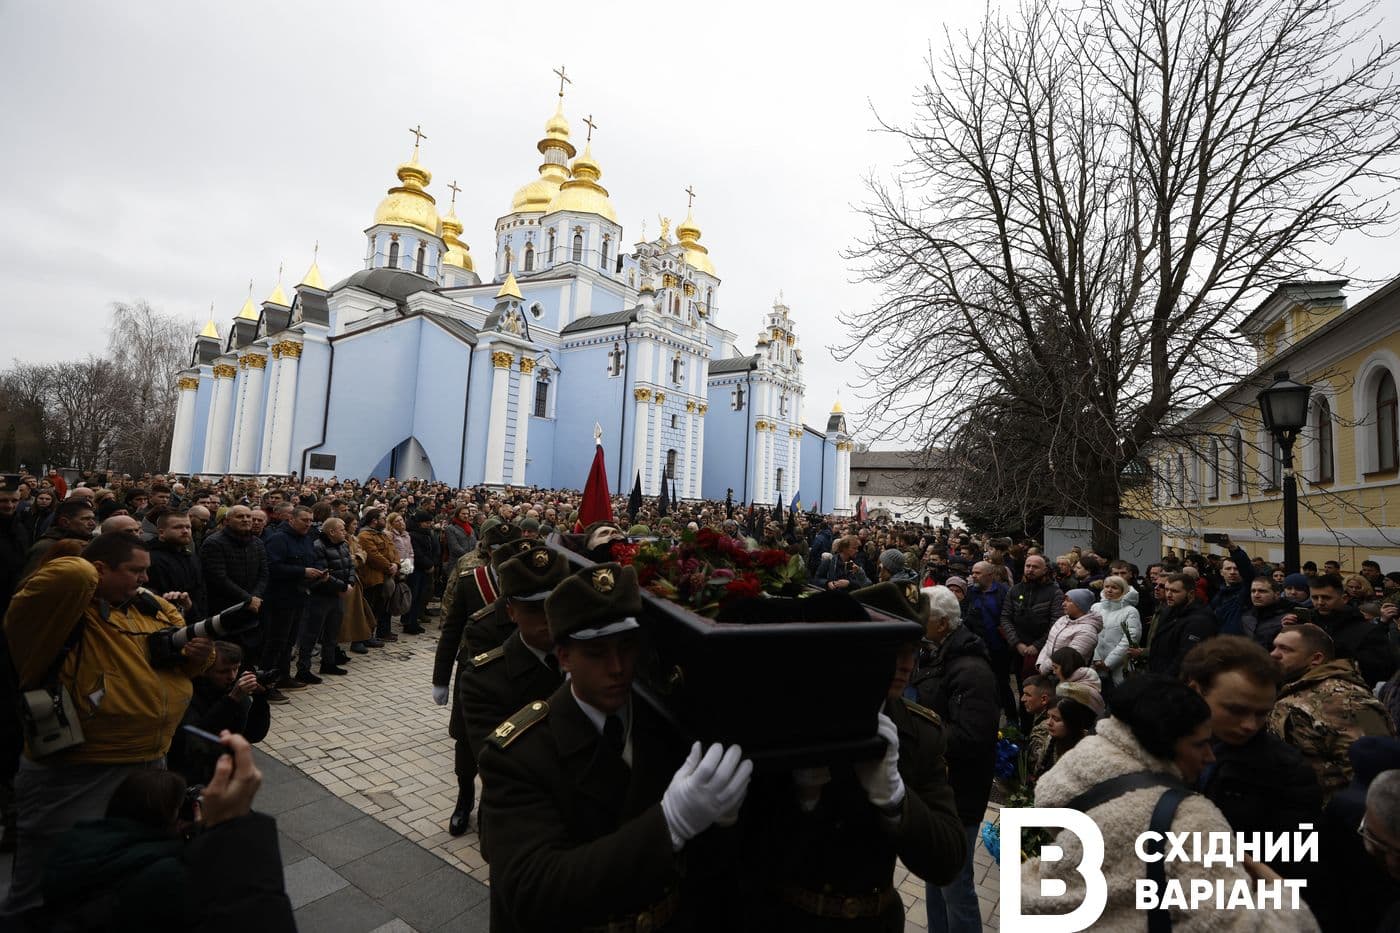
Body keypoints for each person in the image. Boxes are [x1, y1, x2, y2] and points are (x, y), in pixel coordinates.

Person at [478, 563, 753, 932]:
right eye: (596, 652)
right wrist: (667, 825)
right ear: (563, 657)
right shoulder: (519, 754)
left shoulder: (663, 725)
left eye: (627, 646)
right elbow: (532, 890)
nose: (618, 667)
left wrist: (720, 823)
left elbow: (704, 875)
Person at [1, 534, 214, 921]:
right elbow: (74, 574)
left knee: (126, 864)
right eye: (136, 570)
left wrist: (196, 658)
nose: (146, 579)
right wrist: (89, 549)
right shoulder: (54, 610)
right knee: (44, 880)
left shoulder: (144, 608)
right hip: (79, 766)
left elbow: (176, 665)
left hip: (148, 758)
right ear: (99, 570)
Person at [741, 581, 966, 931]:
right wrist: (804, 796)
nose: (906, 665)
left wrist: (896, 800)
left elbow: (947, 860)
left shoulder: (920, 733)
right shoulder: (789, 715)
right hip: (786, 916)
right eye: (891, 649)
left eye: (914, 650)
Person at [1019, 675, 1319, 931]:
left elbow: (1049, 802)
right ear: (1165, 743)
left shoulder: (1089, 757)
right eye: (1200, 744)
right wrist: (1267, 878)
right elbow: (1261, 926)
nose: (1210, 756)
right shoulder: (1191, 820)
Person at [1180, 636, 1322, 872]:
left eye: (1261, 713)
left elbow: (1294, 860)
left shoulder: (1288, 772)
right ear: (1196, 691)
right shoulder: (1153, 748)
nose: (1249, 725)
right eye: (1236, 710)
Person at [910, 585, 998, 933]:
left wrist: (917, 731)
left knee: (956, 886)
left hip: (960, 794)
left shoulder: (971, 670)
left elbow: (973, 737)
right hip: (938, 787)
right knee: (936, 873)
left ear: (942, 624)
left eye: (923, 618)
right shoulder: (937, 654)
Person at [432, 522, 525, 837]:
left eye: (509, 550)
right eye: (497, 550)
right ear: (488, 549)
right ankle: (464, 799)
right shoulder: (474, 581)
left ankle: (492, 804)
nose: (502, 556)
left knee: (508, 742)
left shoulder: (531, 583)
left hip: (515, 675)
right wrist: (441, 678)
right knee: (465, 743)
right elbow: (452, 631)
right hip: (474, 673)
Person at [455, 543, 568, 769]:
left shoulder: (591, 658)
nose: (547, 617)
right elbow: (498, 764)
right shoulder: (483, 679)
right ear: (511, 612)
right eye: (534, 609)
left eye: (554, 605)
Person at [1270, 623, 1395, 800]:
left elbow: (1375, 776)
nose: (1273, 654)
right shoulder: (1291, 689)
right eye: (1274, 647)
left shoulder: (1344, 699)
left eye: (1285, 649)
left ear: (1316, 659)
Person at [168, 641, 271, 787]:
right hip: (194, 778)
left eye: (236, 669)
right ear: (204, 670)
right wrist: (231, 700)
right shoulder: (188, 694)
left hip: (227, 772)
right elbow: (196, 740)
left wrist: (260, 701)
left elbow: (253, 735)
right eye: (223, 671)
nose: (232, 676)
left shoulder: (234, 693)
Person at [262, 506, 328, 689]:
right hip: (280, 598)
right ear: (291, 519)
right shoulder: (278, 539)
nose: (308, 524)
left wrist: (319, 572)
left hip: (299, 597)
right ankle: (268, 682)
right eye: (304, 520)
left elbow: (311, 560)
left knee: (289, 641)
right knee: (276, 641)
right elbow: (272, 567)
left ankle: (284, 676)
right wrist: (303, 571)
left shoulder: (306, 539)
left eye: (310, 521)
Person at [1309, 573, 1397, 686]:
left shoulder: (1368, 631)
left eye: (1326, 597)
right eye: (1315, 597)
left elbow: (1381, 671)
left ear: (1344, 598)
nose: (1320, 602)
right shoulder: (1308, 623)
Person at [998, 554, 1062, 693]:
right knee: (1023, 689)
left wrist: (1037, 645)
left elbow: (1056, 622)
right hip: (1018, 648)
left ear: (1045, 570)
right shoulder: (1015, 590)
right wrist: (1016, 643)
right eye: (1028, 566)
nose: (1030, 569)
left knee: (1042, 689)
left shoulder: (1054, 592)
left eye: (1035, 567)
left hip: (1043, 650)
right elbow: (1005, 617)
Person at [302, 517, 354, 679]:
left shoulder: (344, 544)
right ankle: (303, 669)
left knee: (333, 631)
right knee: (312, 634)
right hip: (321, 596)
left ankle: (328, 663)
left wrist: (349, 583)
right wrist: (342, 587)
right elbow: (323, 573)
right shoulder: (318, 546)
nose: (345, 532)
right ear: (331, 531)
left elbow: (350, 566)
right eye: (342, 529)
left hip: (337, 595)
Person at [964, 561, 1014, 722]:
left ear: (990, 575)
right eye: (973, 572)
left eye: (977, 573)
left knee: (1002, 684)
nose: (973, 576)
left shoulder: (1003, 592)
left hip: (999, 648)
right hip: (977, 647)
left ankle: (1012, 720)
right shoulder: (971, 592)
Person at [1146, 572, 1218, 678]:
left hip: (1175, 684)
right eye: (1167, 590)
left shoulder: (1200, 620)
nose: (1168, 595)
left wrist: (1164, 681)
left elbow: (1185, 658)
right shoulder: (1168, 611)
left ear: (1191, 594)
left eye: (1174, 591)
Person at [144, 510, 207, 624]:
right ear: (161, 532)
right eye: (178, 527)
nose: (185, 531)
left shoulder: (190, 555)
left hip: (195, 618)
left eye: (188, 527)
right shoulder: (151, 559)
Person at [356, 509, 401, 644]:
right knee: (369, 609)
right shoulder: (365, 536)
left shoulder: (383, 535)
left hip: (385, 577)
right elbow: (373, 556)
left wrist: (396, 564)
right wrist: (389, 567)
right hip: (373, 578)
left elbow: (394, 550)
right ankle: (364, 637)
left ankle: (372, 635)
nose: (385, 520)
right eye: (382, 518)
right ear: (374, 520)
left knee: (378, 609)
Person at [1035, 589, 1103, 676]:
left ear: (1080, 605)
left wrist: (1044, 669)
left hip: (1068, 677)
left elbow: (1068, 658)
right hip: (1050, 672)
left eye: (1069, 601)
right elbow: (1048, 643)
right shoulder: (1062, 620)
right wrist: (1040, 663)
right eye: (1064, 600)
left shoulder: (1087, 631)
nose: (1063, 604)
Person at [21, 498, 96, 575]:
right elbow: (31, 579)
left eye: (93, 518)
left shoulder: (90, 542)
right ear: (65, 522)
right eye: (86, 519)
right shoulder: (46, 547)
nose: (92, 523)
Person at [1030, 695, 1097, 781]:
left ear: (1071, 723)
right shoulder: (1050, 739)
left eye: (1056, 719)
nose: (1049, 723)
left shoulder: (1088, 748)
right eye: (1048, 717)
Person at [1091, 574, 1141, 688]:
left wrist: (1108, 663)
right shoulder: (1095, 607)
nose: (1109, 590)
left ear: (1123, 591)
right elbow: (1089, 633)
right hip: (1095, 664)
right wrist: (1096, 659)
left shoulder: (1130, 611)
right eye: (1106, 586)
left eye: (1114, 587)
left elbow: (1130, 639)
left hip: (1120, 665)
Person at [1209, 538, 1257, 636]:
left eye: (1236, 569)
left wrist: (1233, 549)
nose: (1232, 572)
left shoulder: (1246, 591)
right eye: (1228, 568)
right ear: (1221, 572)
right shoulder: (1219, 595)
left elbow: (1247, 569)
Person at [1242, 578, 1291, 652]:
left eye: (1262, 591)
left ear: (1277, 595)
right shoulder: (1246, 617)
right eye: (1253, 591)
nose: (1256, 595)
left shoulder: (1286, 619)